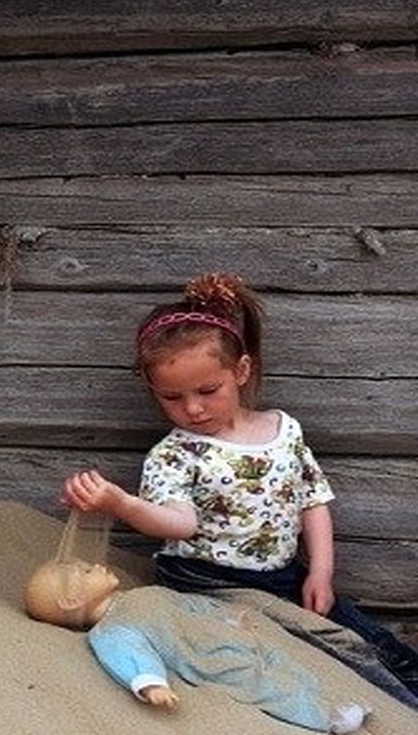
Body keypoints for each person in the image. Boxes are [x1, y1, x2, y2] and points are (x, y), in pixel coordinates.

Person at [60, 273, 418, 705]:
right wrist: (122, 503)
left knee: (365, 634)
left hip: (285, 576)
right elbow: (179, 523)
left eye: (208, 390)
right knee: (332, 648)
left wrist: (321, 570)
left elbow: (313, 500)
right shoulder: (175, 454)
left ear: (241, 371)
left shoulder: (283, 431)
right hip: (208, 583)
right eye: (172, 397)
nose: (192, 408)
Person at [23, 559, 372, 735]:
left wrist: (229, 618)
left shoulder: (143, 594)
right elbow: (130, 655)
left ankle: (329, 698)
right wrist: (149, 683)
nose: (96, 565)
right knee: (263, 685)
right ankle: (326, 718)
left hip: (226, 636)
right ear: (71, 601)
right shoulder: (111, 631)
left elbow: (190, 605)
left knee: (283, 664)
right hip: (208, 660)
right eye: (85, 572)